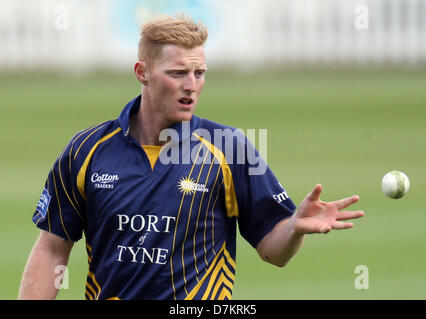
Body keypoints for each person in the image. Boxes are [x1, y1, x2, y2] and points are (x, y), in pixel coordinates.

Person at [18, 13, 364, 300]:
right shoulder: (87, 150)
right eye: (178, 73)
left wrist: (294, 229)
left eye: (199, 74)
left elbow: (272, 251)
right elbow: (52, 248)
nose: (192, 85)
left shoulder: (229, 148)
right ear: (143, 72)